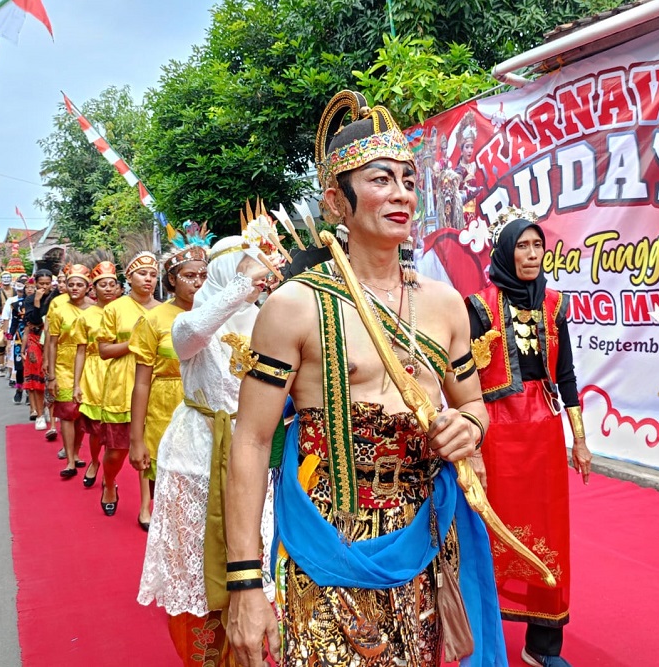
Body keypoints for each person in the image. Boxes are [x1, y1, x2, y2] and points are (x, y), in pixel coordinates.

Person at [225, 90, 504, 667]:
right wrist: (245, 585)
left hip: (427, 533)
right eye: (380, 179)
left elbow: (475, 404)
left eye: (407, 179)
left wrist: (467, 429)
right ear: (336, 200)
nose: (401, 193)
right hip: (330, 537)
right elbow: (250, 442)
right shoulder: (295, 306)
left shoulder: (447, 304)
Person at [137, 236, 278, 664]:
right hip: (195, 455)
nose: (255, 280)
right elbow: (193, 334)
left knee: (258, 558)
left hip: (255, 449)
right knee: (196, 571)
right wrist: (238, 287)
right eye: (243, 268)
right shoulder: (194, 319)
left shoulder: (268, 318)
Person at [466, 208, 590, 667]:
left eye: (538, 245)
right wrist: (472, 442)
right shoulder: (478, 306)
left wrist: (579, 439)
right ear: (505, 251)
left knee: (550, 530)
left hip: (543, 430)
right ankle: (485, 641)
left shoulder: (555, 305)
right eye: (523, 246)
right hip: (496, 431)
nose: (533, 254)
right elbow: (463, 380)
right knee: (489, 527)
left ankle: (542, 646)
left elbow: (568, 375)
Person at [128, 237, 209, 530]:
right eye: (189, 276)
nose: (197, 283)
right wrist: (136, 439)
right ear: (172, 280)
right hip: (164, 404)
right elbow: (141, 384)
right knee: (164, 479)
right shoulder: (154, 320)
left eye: (203, 275)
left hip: (206, 407)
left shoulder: (218, 314)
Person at [96, 248, 160, 516]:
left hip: (156, 384)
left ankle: (146, 507)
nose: (148, 279)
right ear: (130, 278)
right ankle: (109, 481)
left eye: (153, 275)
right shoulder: (114, 309)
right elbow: (103, 350)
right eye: (142, 274)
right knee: (117, 451)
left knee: (151, 449)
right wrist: (134, 343)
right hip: (123, 385)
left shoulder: (165, 310)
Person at [72, 260, 120, 489]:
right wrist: (76, 384)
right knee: (96, 426)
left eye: (113, 284)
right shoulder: (86, 315)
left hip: (119, 370)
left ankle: (111, 473)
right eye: (103, 285)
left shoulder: (125, 311)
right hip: (93, 372)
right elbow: (80, 351)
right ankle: (94, 461)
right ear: (94, 289)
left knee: (116, 425)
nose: (108, 288)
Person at [46, 264, 91, 477]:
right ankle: (70, 461)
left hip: (88, 362)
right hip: (63, 362)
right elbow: (52, 342)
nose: (74, 288)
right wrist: (51, 374)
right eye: (71, 284)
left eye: (79, 285)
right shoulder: (59, 308)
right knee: (66, 411)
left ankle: (76, 451)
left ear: (88, 287)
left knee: (81, 412)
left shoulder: (95, 308)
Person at [22, 271, 55, 430]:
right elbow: (32, 320)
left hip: (53, 339)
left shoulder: (56, 298)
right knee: (36, 375)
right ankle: (39, 414)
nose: (44, 287)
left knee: (52, 375)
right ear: (35, 283)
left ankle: (51, 409)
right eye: (41, 284)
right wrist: (36, 302)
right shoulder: (29, 299)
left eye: (47, 283)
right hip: (35, 338)